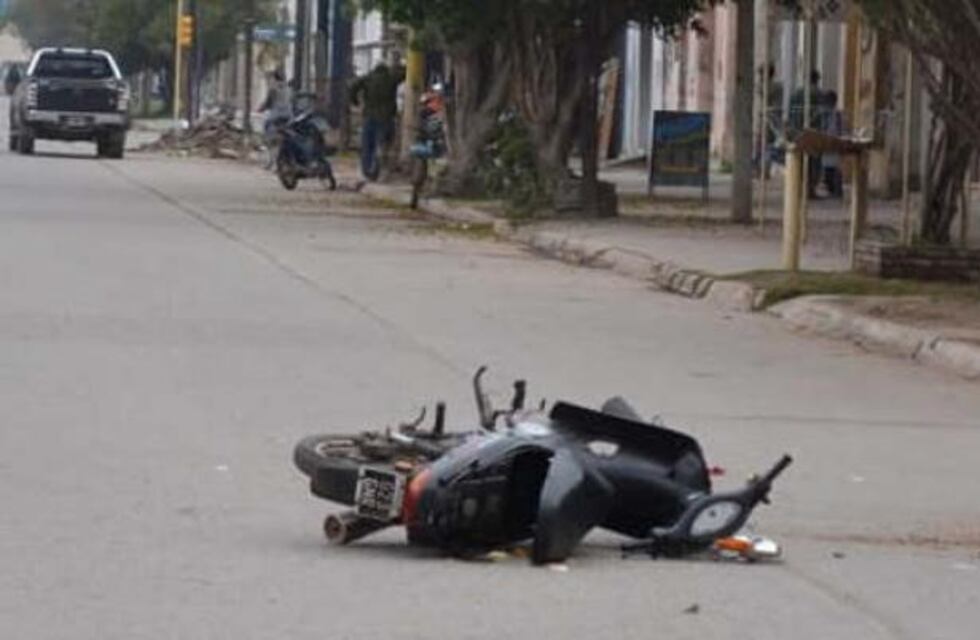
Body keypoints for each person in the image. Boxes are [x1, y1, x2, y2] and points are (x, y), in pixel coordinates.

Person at [351, 61, 404, 181]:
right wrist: (398, 65)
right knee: (380, 143)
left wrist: (355, 101)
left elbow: (353, 86)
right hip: (386, 117)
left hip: (369, 116)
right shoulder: (390, 78)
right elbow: (403, 74)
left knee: (367, 145)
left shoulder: (368, 78)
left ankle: (366, 170)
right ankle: (376, 167)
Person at [257, 70, 294, 169]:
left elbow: (267, 103)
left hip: (276, 116)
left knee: (268, 137)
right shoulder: (289, 89)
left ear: (275, 78)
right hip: (288, 116)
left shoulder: (273, 89)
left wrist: (260, 109)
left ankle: (270, 162)